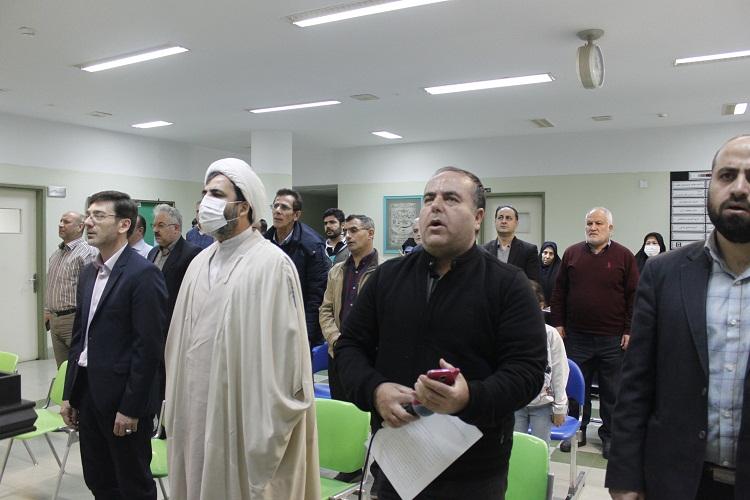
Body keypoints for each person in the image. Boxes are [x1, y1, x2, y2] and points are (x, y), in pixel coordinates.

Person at [335, 166, 547, 499]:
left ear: (478, 217)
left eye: (450, 199)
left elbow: (528, 372)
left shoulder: (508, 285)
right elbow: (349, 347)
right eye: (428, 199)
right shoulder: (387, 278)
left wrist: (469, 398)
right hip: (396, 461)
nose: (435, 206)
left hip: (473, 472)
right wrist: (374, 390)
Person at [165, 158, 320, 500]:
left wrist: (268, 425)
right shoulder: (198, 263)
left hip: (242, 416)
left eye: (217, 194)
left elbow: (286, 361)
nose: (206, 202)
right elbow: (178, 344)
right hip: (196, 410)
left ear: (244, 206)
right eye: (205, 193)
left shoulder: (272, 265)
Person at [606, 135, 750, 499]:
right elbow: (635, 383)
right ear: (710, 185)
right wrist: (624, 476)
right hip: (676, 481)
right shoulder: (664, 273)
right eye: (727, 175)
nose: (739, 188)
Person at [61, 191, 167, 500]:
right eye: (88, 215)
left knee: (133, 484)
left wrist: (131, 408)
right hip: (89, 393)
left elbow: (148, 349)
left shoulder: (143, 274)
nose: (88, 222)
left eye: (98, 216)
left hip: (122, 400)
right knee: (99, 479)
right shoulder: (89, 272)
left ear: (124, 225)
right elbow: (80, 338)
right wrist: (70, 394)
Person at [550, 207, 639, 458]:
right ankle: (576, 432)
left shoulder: (624, 256)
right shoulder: (571, 254)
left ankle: (610, 437)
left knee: (612, 392)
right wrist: (558, 324)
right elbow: (559, 292)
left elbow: (634, 296)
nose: (593, 227)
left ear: (610, 228)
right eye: (589, 223)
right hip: (577, 337)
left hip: (613, 339)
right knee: (577, 391)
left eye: (599, 223)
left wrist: (630, 329)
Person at [319, 214, 379, 400]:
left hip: (368, 357)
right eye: (345, 231)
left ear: (370, 233)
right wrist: (335, 339)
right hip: (338, 353)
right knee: (340, 406)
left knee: (367, 408)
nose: (348, 236)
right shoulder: (336, 271)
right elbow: (325, 310)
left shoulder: (384, 272)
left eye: (353, 230)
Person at [265, 188, 331, 346]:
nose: (277, 211)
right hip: (271, 321)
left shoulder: (312, 245)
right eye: (275, 206)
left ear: (296, 215)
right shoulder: (264, 242)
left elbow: (316, 295)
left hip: (299, 323)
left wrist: (306, 335)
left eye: (284, 207)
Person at [514, 280, 568, 447]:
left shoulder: (551, 334)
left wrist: (560, 407)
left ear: (541, 305)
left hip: (542, 405)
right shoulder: (509, 331)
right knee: (515, 449)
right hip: (515, 403)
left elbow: (560, 372)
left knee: (540, 449)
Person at [44, 211, 98, 367]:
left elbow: (92, 289)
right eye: (60, 221)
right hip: (55, 319)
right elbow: (52, 284)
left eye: (66, 222)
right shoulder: (56, 254)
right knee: (62, 369)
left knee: (77, 367)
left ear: (80, 227)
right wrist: (47, 311)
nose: (60, 224)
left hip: (74, 318)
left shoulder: (88, 252)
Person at [482, 205, 539, 281]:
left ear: (516, 223)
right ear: (495, 221)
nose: (504, 221)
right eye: (500, 217)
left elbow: (533, 283)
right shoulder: (484, 250)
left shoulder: (529, 251)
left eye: (508, 218)